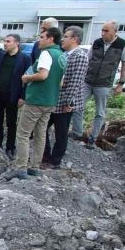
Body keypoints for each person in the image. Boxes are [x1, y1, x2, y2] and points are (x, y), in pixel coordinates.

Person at [5, 27, 65, 180]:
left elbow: (43, 75)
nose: (40, 40)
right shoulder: (61, 55)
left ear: (51, 39)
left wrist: (27, 78)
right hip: (50, 101)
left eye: (42, 37)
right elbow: (61, 82)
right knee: (40, 134)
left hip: (36, 100)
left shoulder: (46, 53)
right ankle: (35, 167)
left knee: (23, 133)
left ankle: (21, 168)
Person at [71, 20, 125, 148]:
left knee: (100, 112)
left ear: (115, 31)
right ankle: (77, 133)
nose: (103, 33)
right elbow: (88, 59)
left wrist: (121, 84)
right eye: (102, 30)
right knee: (77, 106)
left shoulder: (122, 45)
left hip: (104, 84)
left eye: (106, 31)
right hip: (88, 81)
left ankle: (93, 139)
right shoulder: (97, 42)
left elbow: (124, 64)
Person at [42, 26, 89, 169]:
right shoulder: (66, 54)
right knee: (41, 128)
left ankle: (55, 161)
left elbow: (75, 81)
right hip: (56, 100)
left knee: (60, 133)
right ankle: (46, 156)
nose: (62, 39)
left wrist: (69, 102)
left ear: (74, 39)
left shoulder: (79, 56)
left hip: (65, 103)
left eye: (66, 36)